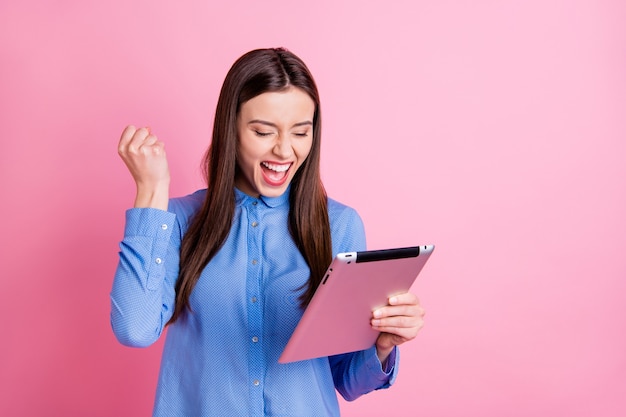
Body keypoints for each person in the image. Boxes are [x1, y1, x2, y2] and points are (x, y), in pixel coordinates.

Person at [111, 47, 425, 417]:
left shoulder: (339, 225)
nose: (284, 149)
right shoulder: (177, 220)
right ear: (231, 128)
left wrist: (383, 344)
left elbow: (347, 380)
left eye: (300, 132)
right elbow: (135, 329)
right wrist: (151, 193)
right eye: (263, 131)